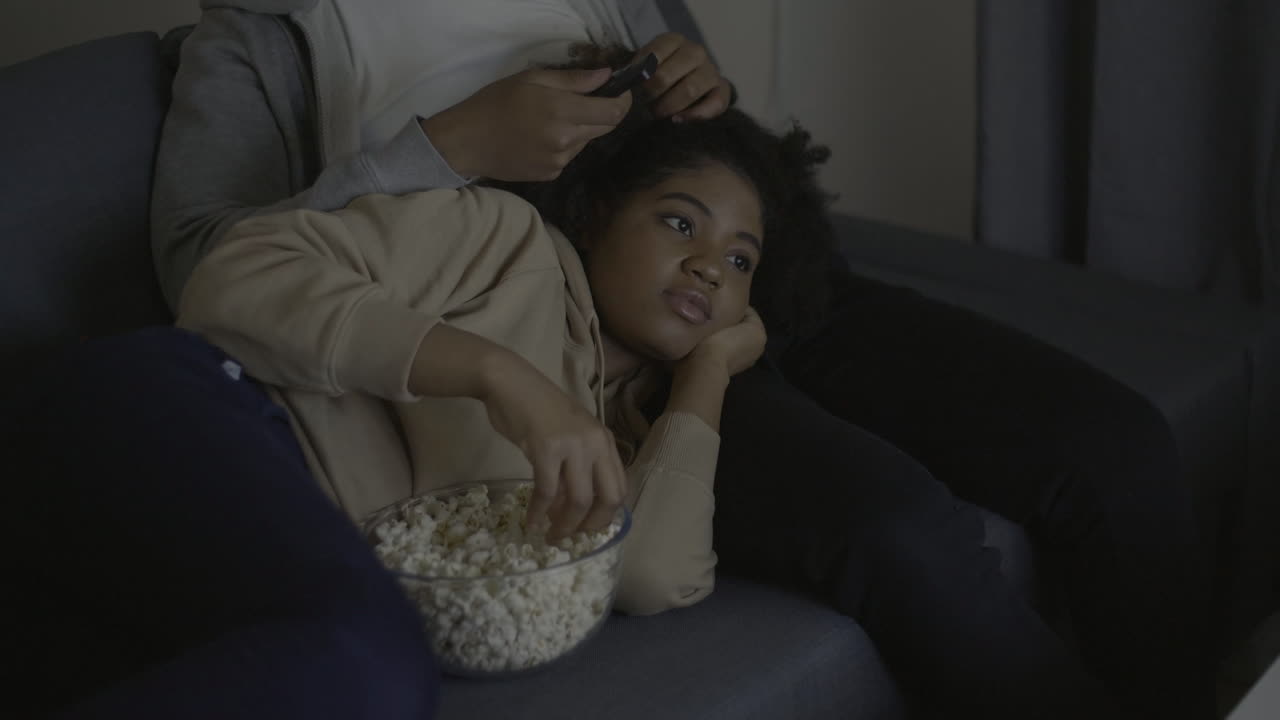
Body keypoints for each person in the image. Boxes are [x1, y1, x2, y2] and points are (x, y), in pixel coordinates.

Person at [22, 1, 1211, 719]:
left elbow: (698, 147)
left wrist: (700, 105)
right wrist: (448, 149)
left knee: (1114, 447)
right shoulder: (263, 36)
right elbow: (215, 270)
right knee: (895, 528)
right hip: (543, 305)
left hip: (713, 263)